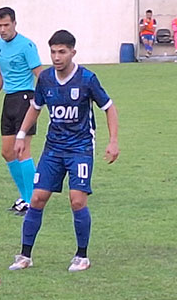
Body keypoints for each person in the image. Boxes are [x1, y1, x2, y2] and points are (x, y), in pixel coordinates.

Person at [11, 30, 120, 273]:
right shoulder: (46, 79)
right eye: (53, 52)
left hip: (80, 148)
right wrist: (21, 135)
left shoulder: (87, 79)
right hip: (53, 148)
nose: (57, 57)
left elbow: (109, 108)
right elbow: (35, 108)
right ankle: (25, 255)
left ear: (73, 52)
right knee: (37, 198)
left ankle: (82, 256)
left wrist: (113, 141)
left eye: (62, 52)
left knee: (77, 200)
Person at [0, 7, 45, 214]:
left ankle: (32, 199)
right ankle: (24, 196)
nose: (2, 30)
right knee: (7, 152)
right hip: (9, 100)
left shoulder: (27, 46)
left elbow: (40, 74)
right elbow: (0, 75)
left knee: (22, 151)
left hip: (25, 99)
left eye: (6, 25)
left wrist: (50, 98)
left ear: (14, 24)